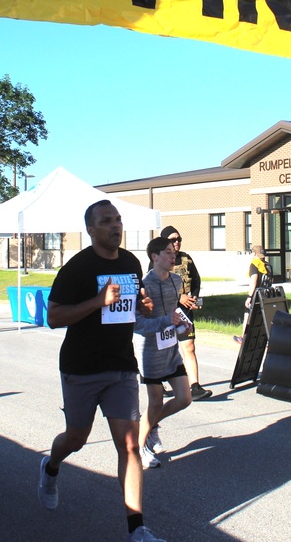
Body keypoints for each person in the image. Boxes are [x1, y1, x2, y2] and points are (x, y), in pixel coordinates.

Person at [38, 200, 180, 542]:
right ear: (91, 229)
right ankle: (51, 465)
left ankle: (137, 530)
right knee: (76, 438)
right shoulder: (77, 267)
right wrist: (96, 301)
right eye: (106, 221)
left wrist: (143, 306)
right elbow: (54, 317)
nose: (115, 226)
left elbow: (135, 307)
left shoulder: (131, 262)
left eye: (118, 220)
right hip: (81, 366)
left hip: (120, 366)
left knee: (130, 446)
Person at [136, 236, 193, 469]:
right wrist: (164, 320)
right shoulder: (143, 285)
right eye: (168, 252)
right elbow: (137, 325)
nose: (173, 256)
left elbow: (174, 312)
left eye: (174, 252)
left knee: (184, 398)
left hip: (171, 349)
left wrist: (182, 323)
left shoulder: (177, 281)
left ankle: (148, 427)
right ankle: (139, 448)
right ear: (154, 257)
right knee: (155, 402)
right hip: (149, 351)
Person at [160, 226, 212, 401]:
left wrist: (194, 298)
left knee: (189, 347)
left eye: (179, 239)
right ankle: (157, 383)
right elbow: (156, 286)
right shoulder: (159, 259)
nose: (177, 242)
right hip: (166, 312)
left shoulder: (186, 259)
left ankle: (195, 386)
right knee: (165, 349)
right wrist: (178, 297)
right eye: (173, 239)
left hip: (185, 312)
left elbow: (196, 279)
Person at [234, 245, 271, 345]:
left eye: (252, 252)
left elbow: (253, 281)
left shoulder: (254, 264)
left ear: (255, 253)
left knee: (247, 314)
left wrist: (249, 297)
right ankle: (266, 340)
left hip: (256, 294)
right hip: (266, 294)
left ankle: (243, 338)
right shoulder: (267, 265)